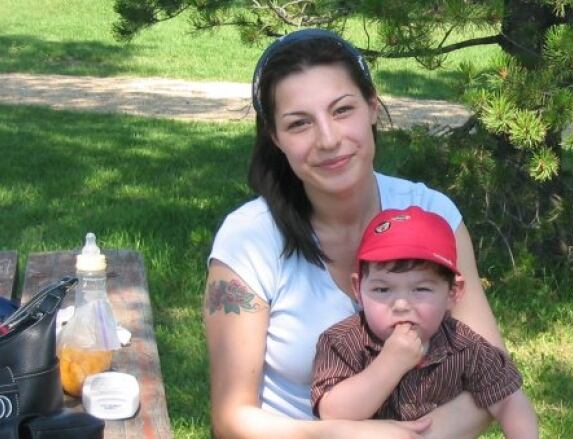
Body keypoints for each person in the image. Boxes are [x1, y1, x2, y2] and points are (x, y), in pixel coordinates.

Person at [204, 28, 537, 438]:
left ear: (372, 107)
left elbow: (493, 375)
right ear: (276, 138)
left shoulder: (434, 214)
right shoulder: (249, 241)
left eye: (342, 110)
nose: (328, 139)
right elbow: (232, 419)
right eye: (299, 123)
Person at [312, 206, 538, 439]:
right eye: (382, 289)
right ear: (358, 289)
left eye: (420, 289)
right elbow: (332, 412)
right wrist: (389, 364)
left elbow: (509, 400)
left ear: (453, 292)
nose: (400, 304)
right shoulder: (341, 342)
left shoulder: (465, 346)